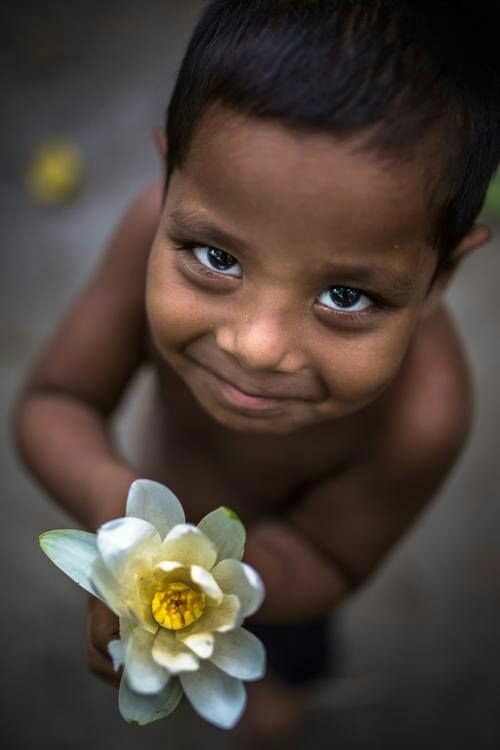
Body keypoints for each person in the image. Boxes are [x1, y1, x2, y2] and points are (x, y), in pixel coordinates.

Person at [14, 0, 500, 743]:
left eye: (346, 296)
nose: (257, 346)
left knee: (275, 693)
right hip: (144, 513)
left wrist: (198, 591)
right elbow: (55, 402)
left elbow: (328, 560)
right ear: (170, 174)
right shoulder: (146, 229)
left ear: (440, 277)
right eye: (217, 257)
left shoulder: (425, 411)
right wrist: (128, 535)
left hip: (279, 591)